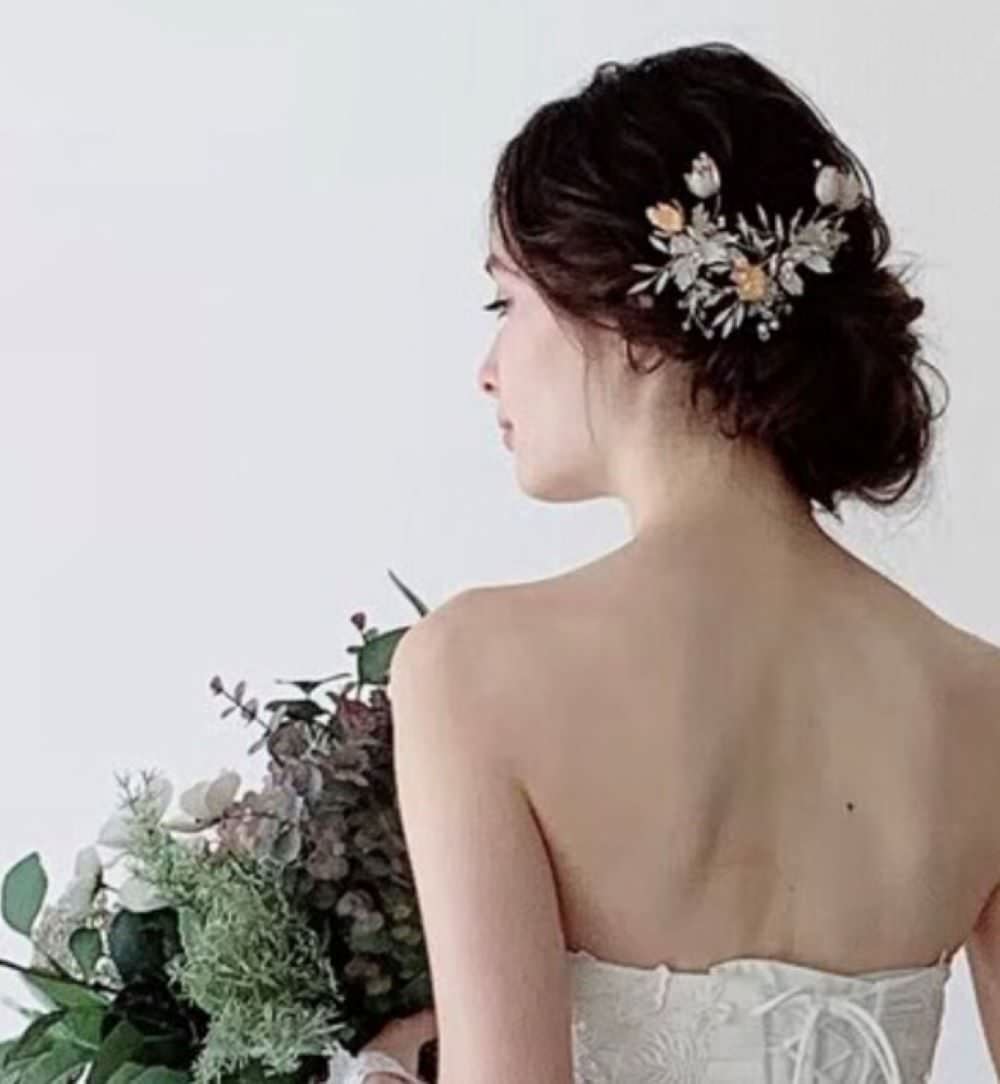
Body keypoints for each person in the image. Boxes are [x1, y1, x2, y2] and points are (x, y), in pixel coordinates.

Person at [330, 41, 1000, 1083]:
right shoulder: (980, 703)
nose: (487, 369)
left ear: (627, 315)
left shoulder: (472, 666)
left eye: (505, 303)